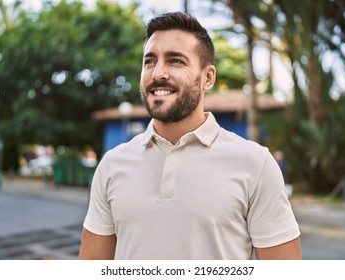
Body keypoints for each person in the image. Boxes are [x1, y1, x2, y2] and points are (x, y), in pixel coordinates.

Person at [78, 12, 301, 260]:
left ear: (208, 78)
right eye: (149, 61)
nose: (157, 73)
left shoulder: (256, 164)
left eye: (175, 61)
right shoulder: (112, 164)